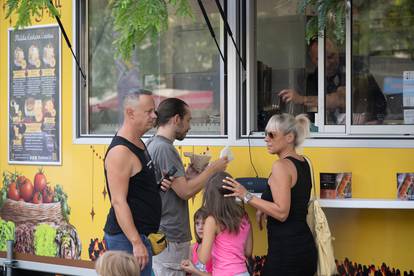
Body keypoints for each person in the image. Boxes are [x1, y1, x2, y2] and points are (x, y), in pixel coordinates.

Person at [222, 113, 317, 276]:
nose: (266, 139)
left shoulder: (281, 166)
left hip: (287, 253)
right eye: (265, 134)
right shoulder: (304, 162)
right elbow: (292, 200)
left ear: (289, 137)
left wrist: (246, 195)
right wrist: (264, 208)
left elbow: (281, 213)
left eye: (272, 134)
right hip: (301, 247)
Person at [146, 97, 228, 276]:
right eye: (188, 120)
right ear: (176, 119)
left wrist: (189, 176)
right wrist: (212, 170)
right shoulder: (164, 148)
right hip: (170, 236)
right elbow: (185, 192)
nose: (190, 126)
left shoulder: (154, 144)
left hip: (165, 234)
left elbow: (175, 189)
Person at [103, 89, 172, 276]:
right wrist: (136, 242)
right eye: (148, 111)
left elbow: (136, 188)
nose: (154, 115)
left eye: (154, 111)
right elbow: (118, 201)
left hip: (140, 237)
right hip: (125, 239)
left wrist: (157, 187)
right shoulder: (120, 152)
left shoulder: (139, 143)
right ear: (130, 113)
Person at [278, 39, 386, 125]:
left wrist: (302, 99)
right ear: (312, 60)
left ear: (338, 52)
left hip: (366, 129)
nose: (327, 63)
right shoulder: (312, 79)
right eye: (319, 59)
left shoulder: (353, 67)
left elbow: (341, 99)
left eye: (330, 57)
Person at [193, 171, 253, 276]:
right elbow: (248, 251)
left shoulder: (212, 221)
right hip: (243, 273)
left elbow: (203, 258)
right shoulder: (245, 216)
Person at [180, 208, 213, 276]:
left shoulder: (216, 247)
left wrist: (194, 270)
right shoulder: (193, 247)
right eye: (197, 223)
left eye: (204, 223)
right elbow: (190, 273)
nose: (200, 227)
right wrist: (186, 266)